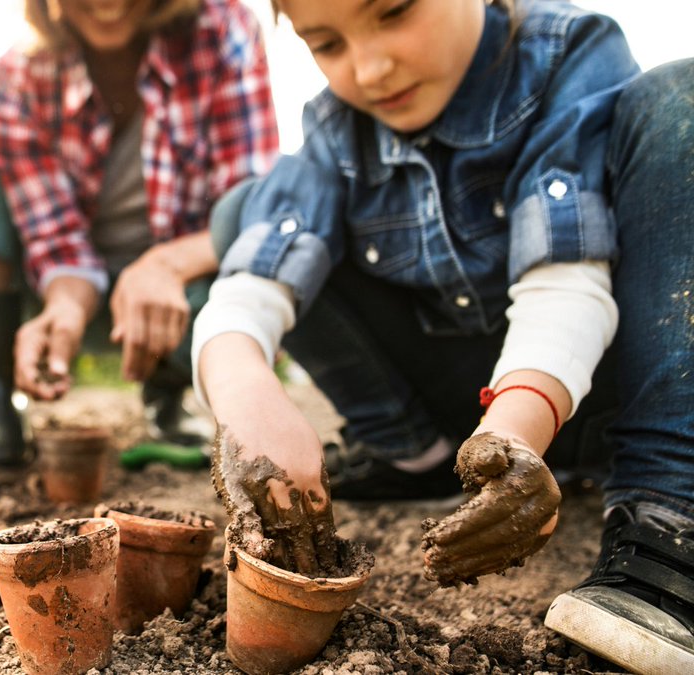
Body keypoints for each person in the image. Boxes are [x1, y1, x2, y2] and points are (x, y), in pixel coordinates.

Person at [193, 0, 693, 671]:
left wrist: (515, 430)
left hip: (599, 388)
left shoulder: (569, 55)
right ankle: (415, 457)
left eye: (393, 12)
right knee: (244, 214)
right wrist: (248, 396)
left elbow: (564, 283)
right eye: (326, 43)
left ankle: (668, 513)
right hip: (468, 415)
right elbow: (250, 286)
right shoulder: (336, 130)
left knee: (680, 98)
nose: (369, 69)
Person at [0, 0, 280, 470]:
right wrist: (66, 306)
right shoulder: (21, 72)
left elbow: (247, 210)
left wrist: (164, 267)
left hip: (186, 294)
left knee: (264, 264)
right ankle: (0, 400)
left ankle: (168, 392)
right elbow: (55, 238)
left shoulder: (223, 29)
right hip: (76, 295)